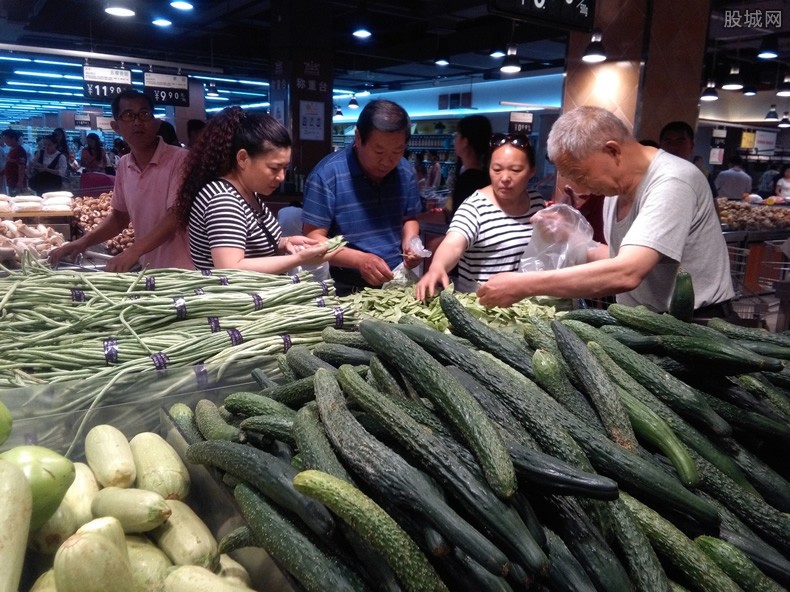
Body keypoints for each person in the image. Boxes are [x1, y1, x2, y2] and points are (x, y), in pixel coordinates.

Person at [477, 105, 735, 316]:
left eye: (580, 174)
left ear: (612, 151)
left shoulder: (672, 181)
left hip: (696, 324)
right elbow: (618, 257)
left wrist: (523, 285)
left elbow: (627, 271)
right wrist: (571, 235)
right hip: (647, 321)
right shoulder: (616, 188)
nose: (577, 185)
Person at [49, 90, 193, 272]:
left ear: (156, 124)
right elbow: (119, 218)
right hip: (150, 270)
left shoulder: (181, 159)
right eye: (128, 115)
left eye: (144, 114)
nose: (137, 122)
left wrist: (133, 251)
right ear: (116, 127)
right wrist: (82, 242)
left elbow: (176, 215)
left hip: (185, 271)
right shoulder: (124, 164)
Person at [175, 107, 330, 273]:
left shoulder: (247, 192)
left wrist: (285, 242)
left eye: (285, 168)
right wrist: (297, 259)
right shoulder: (223, 200)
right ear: (243, 158)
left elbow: (249, 243)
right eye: (274, 168)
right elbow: (230, 268)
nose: (281, 177)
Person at [302, 99, 423, 295]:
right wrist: (359, 260)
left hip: (396, 280)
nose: (387, 161)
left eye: (397, 151)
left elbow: (409, 218)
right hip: (344, 286)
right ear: (358, 138)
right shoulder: (326, 175)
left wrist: (411, 242)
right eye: (379, 151)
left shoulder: (405, 171)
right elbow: (312, 239)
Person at [416, 133, 545, 298]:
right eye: (497, 169)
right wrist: (437, 266)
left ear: (531, 171)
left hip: (523, 304)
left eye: (516, 170)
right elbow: (454, 244)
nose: (505, 178)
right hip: (481, 305)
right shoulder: (475, 207)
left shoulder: (536, 202)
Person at [450, 114, 492, 214]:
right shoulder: (488, 176)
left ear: (465, 141)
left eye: (456, 135)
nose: (454, 140)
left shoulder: (467, 180)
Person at [2, 129, 28, 196]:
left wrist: (20, 182)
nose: (5, 141)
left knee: (18, 200)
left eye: (6, 139)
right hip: (11, 180)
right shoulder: (12, 149)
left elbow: (21, 167)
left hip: (16, 180)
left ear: (13, 138)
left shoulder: (19, 151)